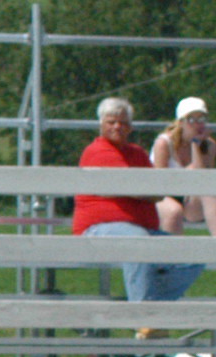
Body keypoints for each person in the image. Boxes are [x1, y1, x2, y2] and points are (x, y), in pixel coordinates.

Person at [73, 95, 192, 332]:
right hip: (97, 231)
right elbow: (137, 188)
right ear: (101, 124)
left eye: (123, 122)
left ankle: (152, 307)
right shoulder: (98, 151)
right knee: (137, 241)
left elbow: (156, 191)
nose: (118, 126)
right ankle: (142, 318)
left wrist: (145, 192)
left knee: (192, 255)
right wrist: (144, 192)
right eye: (111, 121)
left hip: (141, 230)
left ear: (130, 127)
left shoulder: (137, 153)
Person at [152, 96, 216, 247]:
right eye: (191, 120)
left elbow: (202, 179)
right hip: (163, 198)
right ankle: (174, 257)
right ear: (180, 122)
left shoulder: (210, 146)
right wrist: (188, 171)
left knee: (210, 194)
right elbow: (159, 183)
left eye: (202, 119)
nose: (198, 124)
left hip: (191, 200)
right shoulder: (163, 143)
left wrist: (196, 145)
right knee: (173, 211)